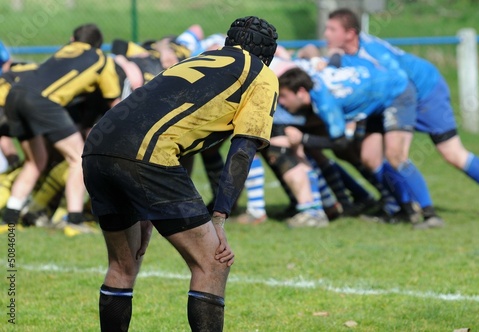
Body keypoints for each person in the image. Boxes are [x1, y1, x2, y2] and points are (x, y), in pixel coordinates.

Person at [81, 16, 278, 331]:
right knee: (213, 261)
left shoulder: (196, 61)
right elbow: (242, 150)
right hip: (146, 154)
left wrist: (144, 206)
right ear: (269, 54)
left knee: (122, 265)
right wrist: (220, 217)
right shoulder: (261, 74)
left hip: (97, 146)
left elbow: (166, 131)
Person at [325, 8, 479, 223]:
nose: (326, 34)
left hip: (425, 92)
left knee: (451, 153)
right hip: (385, 100)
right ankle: (400, 206)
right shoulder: (345, 55)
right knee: (370, 157)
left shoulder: (373, 51)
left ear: (350, 33)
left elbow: (400, 81)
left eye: (332, 29)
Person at [277, 62, 443, 229]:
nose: (281, 102)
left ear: (301, 92)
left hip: (397, 91)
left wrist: (303, 139)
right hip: (375, 101)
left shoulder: (325, 103)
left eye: (284, 96)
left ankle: (430, 215)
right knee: (370, 158)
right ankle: (405, 210)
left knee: (396, 156)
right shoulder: (312, 81)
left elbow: (340, 143)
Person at [0, 23, 121, 235]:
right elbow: (114, 100)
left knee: (35, 161)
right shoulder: (102, 59)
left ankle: (8, 218)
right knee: (78, 157)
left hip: (15, 95)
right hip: (43, 101)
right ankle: (73, 221)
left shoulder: (65, 49)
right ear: (98, 44)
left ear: (74, 40)